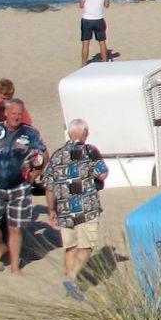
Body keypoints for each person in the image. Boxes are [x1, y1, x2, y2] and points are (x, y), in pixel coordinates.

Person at [42, 120, 108, 297]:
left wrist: (51, 210)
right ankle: (71, 278)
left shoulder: (57, 155)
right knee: (87, 246)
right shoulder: (89, 151)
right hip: (87, 208)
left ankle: (72, 288)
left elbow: (48, 186)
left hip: (64, 208)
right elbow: (102, 173)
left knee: (70, 247)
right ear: (85, 133)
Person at [0, 99, 47, 275]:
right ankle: (0, 247)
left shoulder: (30, 133)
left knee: (15, 227)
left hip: (19, 187)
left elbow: (44, 154)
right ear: (6, 113)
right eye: (13, 113)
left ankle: (14, 266)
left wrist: (34, 176)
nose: (17, 117)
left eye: (20, 114)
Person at [77, 0, 112, 65]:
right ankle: (104, 62)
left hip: (87, 19)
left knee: (86, 42)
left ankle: (84, 64)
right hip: (99, 19)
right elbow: (107, 5)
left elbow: (81, 5)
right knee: (102, 42)